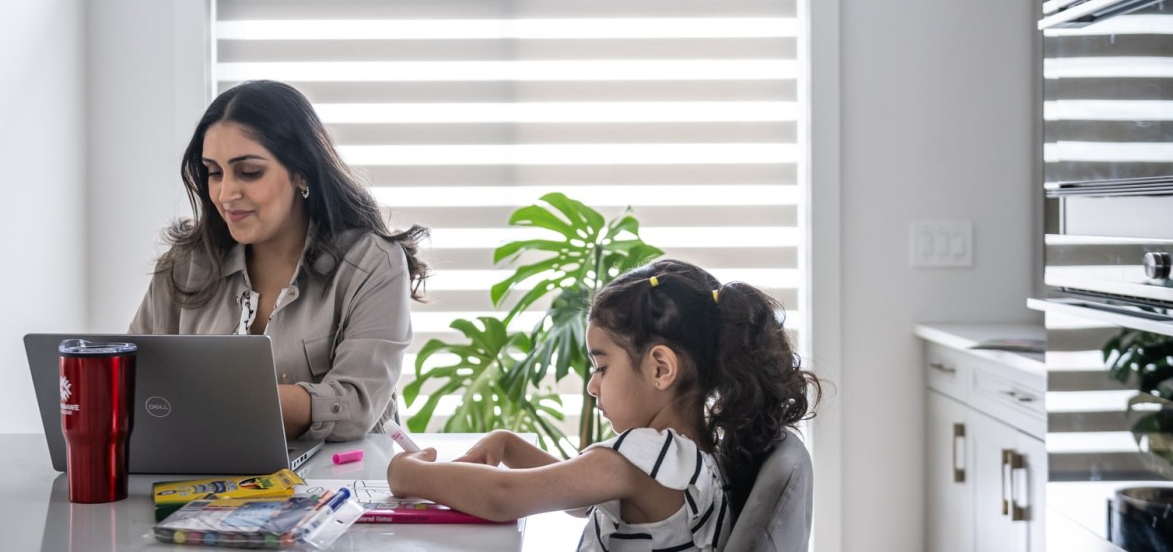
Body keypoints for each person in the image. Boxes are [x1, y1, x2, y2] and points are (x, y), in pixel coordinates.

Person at [387, 259, 820, 551]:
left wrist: (409, 473)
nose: (593, 387)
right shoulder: (695, 451)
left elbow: (503, 497)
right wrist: (508, 445)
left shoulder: (645, 456)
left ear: (660, 369)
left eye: (602, 366)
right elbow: (581, 501)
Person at [128, 80, 429, 441]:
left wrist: (219, 401)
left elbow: (357, 406)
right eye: (214, 172)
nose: (225, 193)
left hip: (341, 481)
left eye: (249, 172)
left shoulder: (372, 263)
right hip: (208, 480)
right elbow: (132, 378)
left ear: (301, 171)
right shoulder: (184, 264)